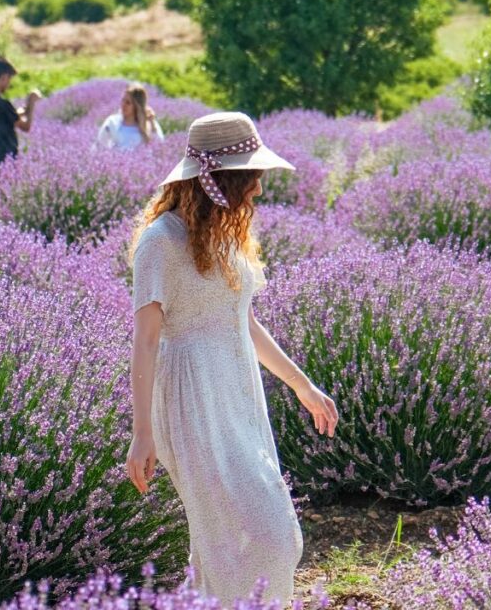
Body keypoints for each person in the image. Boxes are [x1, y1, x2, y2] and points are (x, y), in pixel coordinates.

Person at [125, 112, 338, 606]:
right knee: (266, 536)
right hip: (190, 397)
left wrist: (301, 385)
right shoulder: (160, 242)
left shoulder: (224, 235)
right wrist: (142, 434)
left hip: (237, 391)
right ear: (222, 180)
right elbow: (146, 342)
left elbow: (241, 319)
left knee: (228, 543)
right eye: (253, 177)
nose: (260, 189)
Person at [0, 58, 42, 170]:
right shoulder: (3, 104)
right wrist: (32, 102)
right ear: (3, 77)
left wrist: (23, 111)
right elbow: (26, 127)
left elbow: (3, 119)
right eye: (9, 79)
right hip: (7, 161)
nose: (9, 84)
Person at [95, 83, 165, 151]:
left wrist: (152, 123)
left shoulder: (147, 123)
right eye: (123, 100)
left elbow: (160, 147)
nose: (123, 105)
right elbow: (99, 146)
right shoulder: (112, 122)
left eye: (128, 103)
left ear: (136, 106)